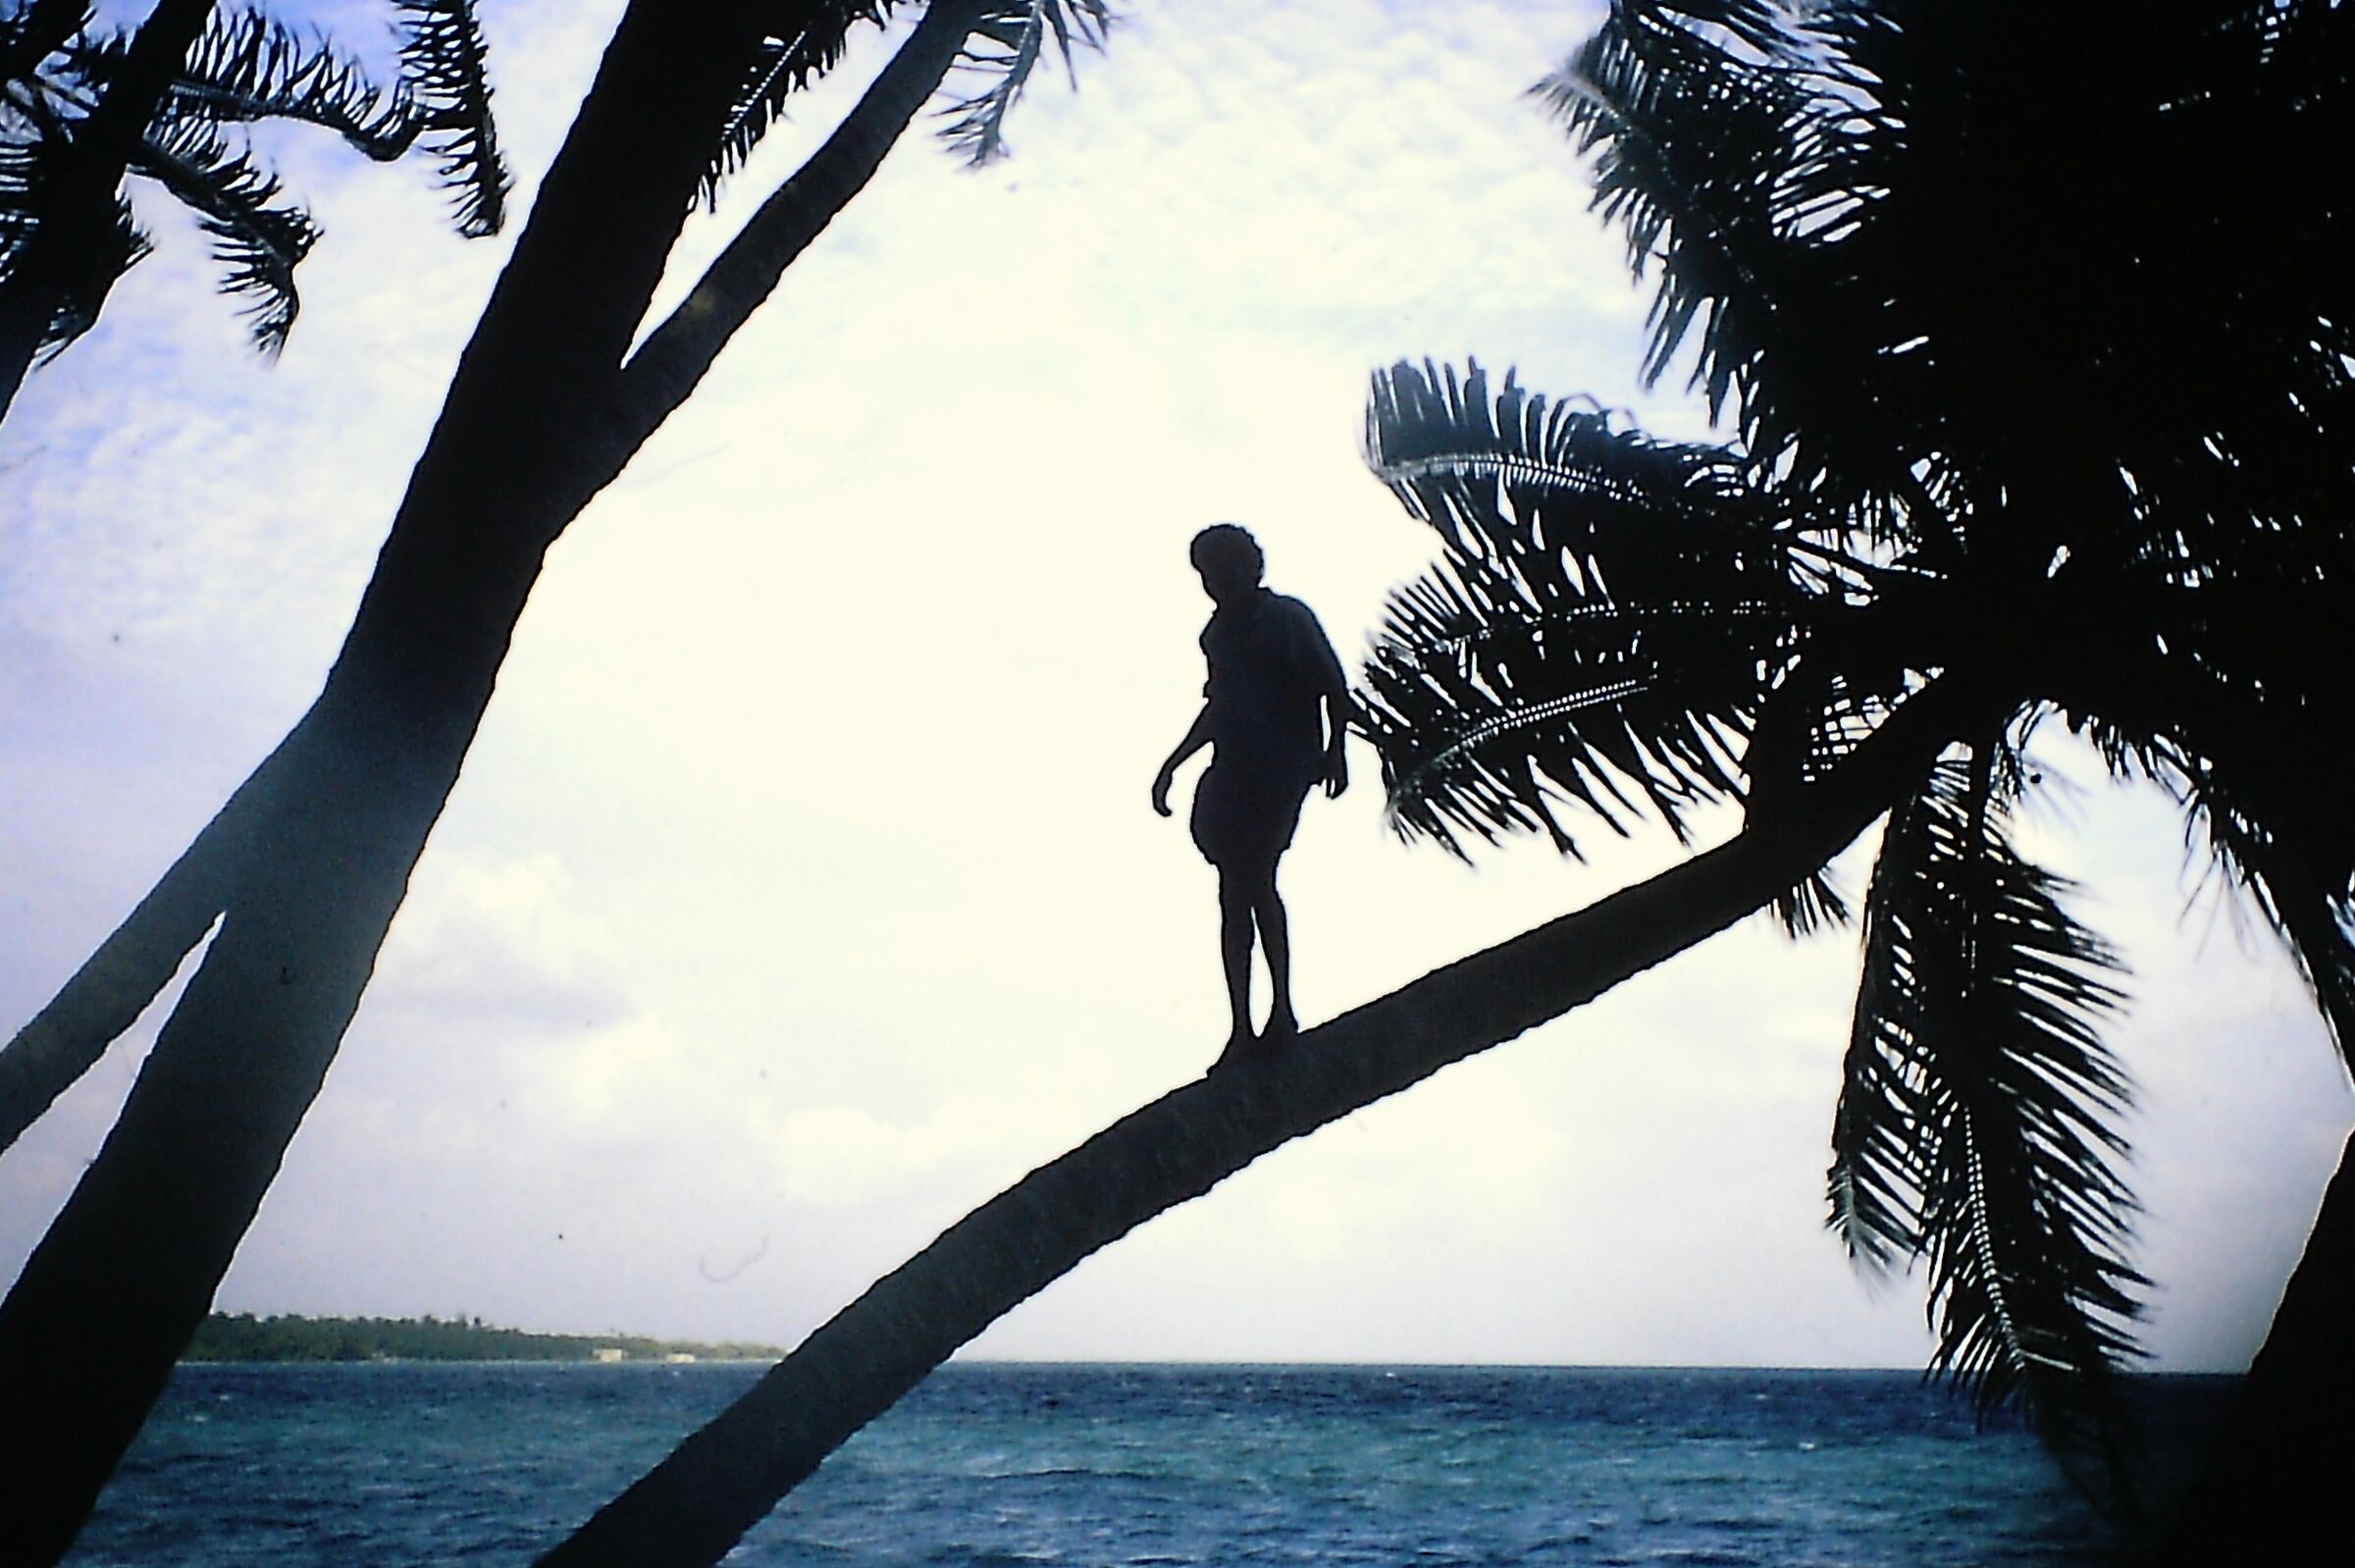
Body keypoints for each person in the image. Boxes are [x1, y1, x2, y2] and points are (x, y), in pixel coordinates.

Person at [1152, 523, 1354, 1068]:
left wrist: (1337, 749)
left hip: (1283, 765)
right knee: (1235, 891)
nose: (1216, 584)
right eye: (1207, 576)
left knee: (1254, 879)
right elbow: (1219, 709)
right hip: (1236, 767)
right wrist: (1173, 763)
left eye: (1224, 571)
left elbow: (1333, 686)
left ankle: (1280, 1011)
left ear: (1251, 567)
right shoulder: (1217, 636)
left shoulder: (1287, 618)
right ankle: (1243, 1024)